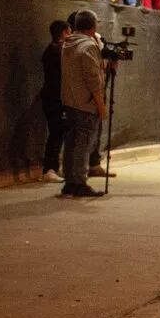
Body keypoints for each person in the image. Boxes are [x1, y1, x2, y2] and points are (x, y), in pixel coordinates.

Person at [59, 10, 106, 198]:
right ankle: (79, 182)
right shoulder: (88, 46)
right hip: (85, 104)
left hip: (69, 101)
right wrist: (101, 106)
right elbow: (93, 80)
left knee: (71, 143)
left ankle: (69, 181)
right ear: (92, 26)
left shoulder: (68, 43)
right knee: (83, 145)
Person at [40, 20, 71, 182]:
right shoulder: (57, 51)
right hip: (55, 98)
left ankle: (53, 168)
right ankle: (50, 169)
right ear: (65, 32)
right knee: (56, 133)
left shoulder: (52, 50)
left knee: (58, 133)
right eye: (69, 31)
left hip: (52, 97)